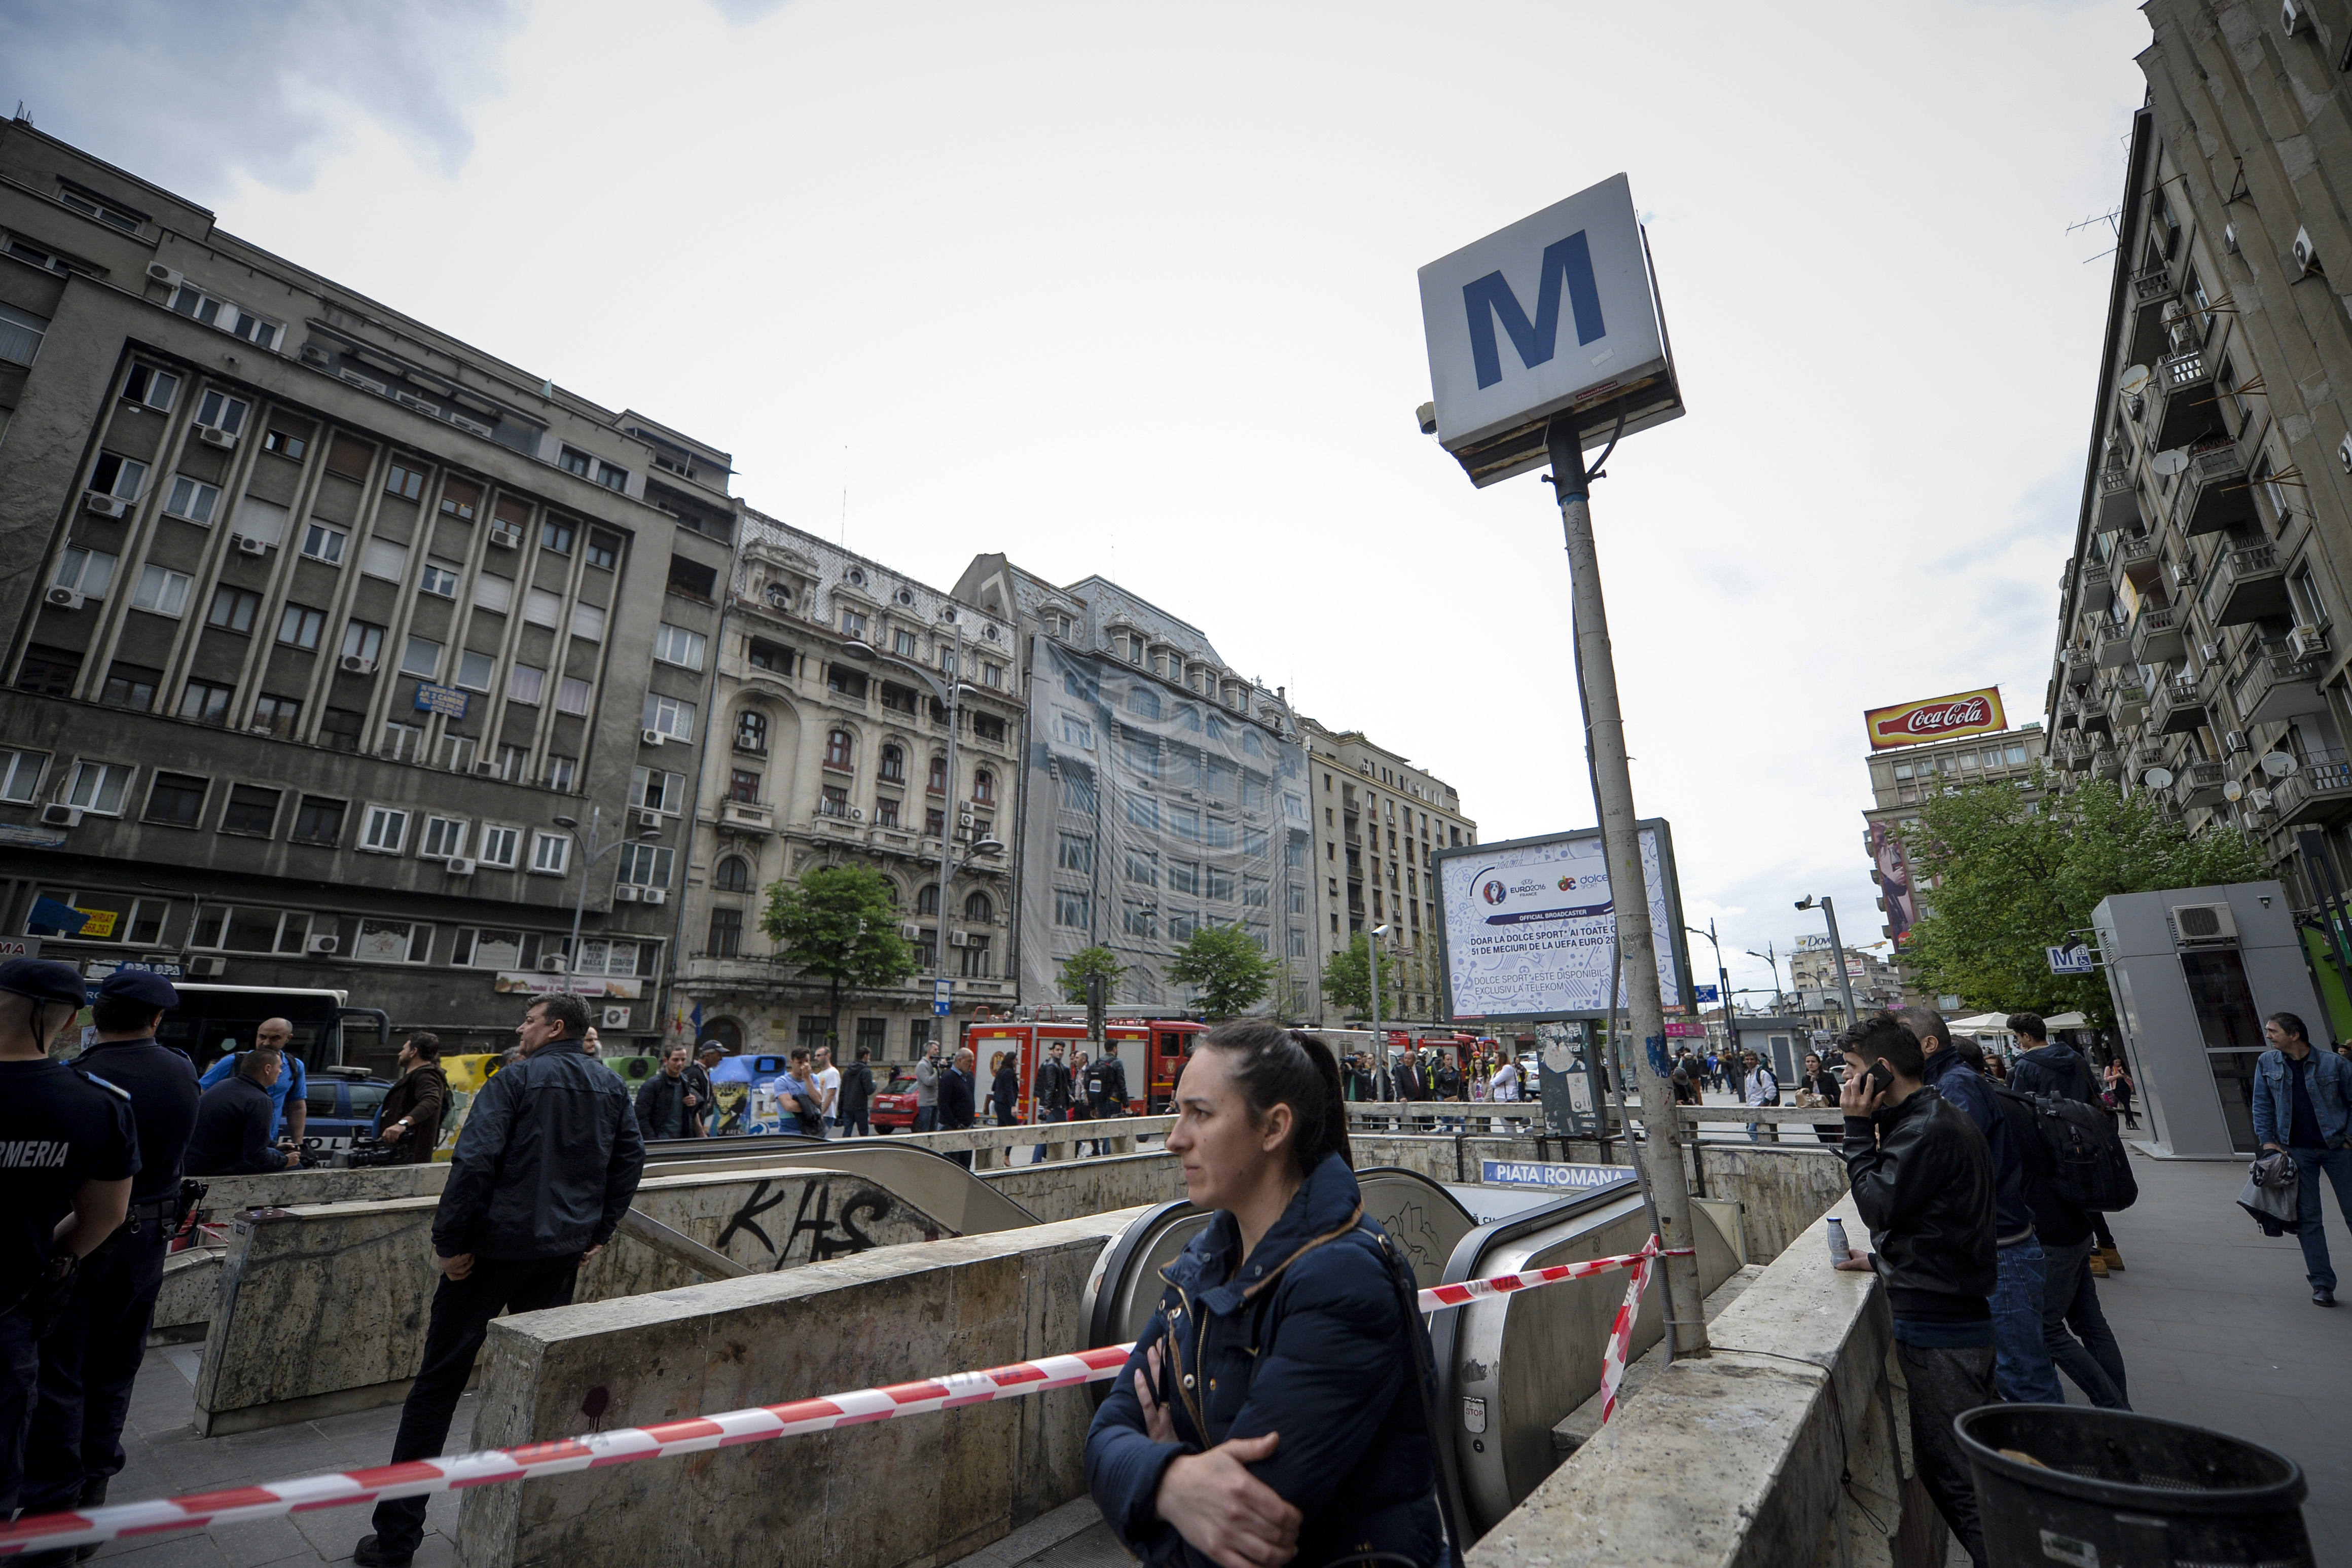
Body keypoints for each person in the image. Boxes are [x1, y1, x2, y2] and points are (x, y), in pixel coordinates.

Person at [1086, 1023, 1442, 1568]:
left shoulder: (1344, 1282)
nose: (1175, 1138)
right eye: (1179, 1112)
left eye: (1200, 1113)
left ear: (1274, 1127)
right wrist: (1172, 1480)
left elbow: (1240, 1536)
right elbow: (1102, 1437)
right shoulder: (1205, 1260)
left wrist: (1152, 1474)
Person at [355, 993, 645, 1567]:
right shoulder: (611, 1086)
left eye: (529, 1020)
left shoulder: (514, 1080)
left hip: (488, 1253)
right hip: (558, 1254)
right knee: (541, 1383)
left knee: (437, 1388)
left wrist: (449, 1243)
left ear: (555, 1027)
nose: (521, 1028)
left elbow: (473, 1161)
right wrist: (598, 1231)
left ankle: (396, 1541)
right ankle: (527, 1534)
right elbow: (629, 1161)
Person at [21, 969, 196, 1534]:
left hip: (85, 1237)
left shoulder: (82, 1078)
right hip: (149, 1243)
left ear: (95, 1017)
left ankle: (54, 1503)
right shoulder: (182, 1071)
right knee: (116, 1366)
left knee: (60, 1372)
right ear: (157, 1018)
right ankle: (95, 1485)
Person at [1833, 1011, 1998, 1568]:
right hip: (1949, 1310)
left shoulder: (1926, 1129)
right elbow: (1934, 1219)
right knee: (1955, 1468)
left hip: (1941, 1328)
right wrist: (1883, 1261)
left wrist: (1857, 1130)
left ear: (1881, 1070)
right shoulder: (1930, 1118)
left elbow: (1877, 1204)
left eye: (1851, 1068)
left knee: (1958, 1479)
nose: (1845, 1081)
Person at [0, 960, 137, 1523]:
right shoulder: (100, 1104)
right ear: (66, 1022)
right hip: (8, 1312)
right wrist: (41, 1261)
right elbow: (106, 1215)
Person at [1898, 1006, 2060, 1405]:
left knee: (2021, 1377)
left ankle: (2048, 1445)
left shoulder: (1954, 1087)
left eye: (1900, 1038)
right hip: (1996, 1245)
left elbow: (1946, 1171)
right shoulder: (1948, 1083)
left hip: (2001, 1250)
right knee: (2014, 1371)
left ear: (1928, 1044)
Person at [2006, 1013, 2125, 1273]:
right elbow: (2094, 1091)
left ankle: (2092, 1255)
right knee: (2086, 1189)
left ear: (2026, 1036)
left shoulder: (2026, 1065)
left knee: (2067, 1196)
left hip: (2053, 1136)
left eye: (2018, 1037)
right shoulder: (2075, 1057)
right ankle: (2109, 1249)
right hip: (2087, 1132)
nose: (2018, 1042)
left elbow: (2020, 1105)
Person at [2253, 1010, 2352, 1307]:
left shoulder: (2335, 1063)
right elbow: (2262, 1103)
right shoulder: (2267, 1063)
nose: (2268, 1036)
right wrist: (2268, 1142)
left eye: (2273, 1031)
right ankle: (2322, 1284)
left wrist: (2349, 1138)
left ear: (2295, 1035)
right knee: (2308, 1219)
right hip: (2295, 1152)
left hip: (2338, 1148)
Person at [197, 1016, 306, 1149]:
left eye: (275, 1038)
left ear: (288, 1038)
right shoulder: (233, 1062)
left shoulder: (295, 1066)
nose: (266, 1043)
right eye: (262, 1037)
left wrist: (298, 1145)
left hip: (267, 1143)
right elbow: (199, 1095)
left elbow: (296, 1107)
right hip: (228, 1143)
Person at [185, 1050, 295, 1176]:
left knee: (274, 1153)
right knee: (294, 1165)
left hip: (190, 1161)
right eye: (279, 1067)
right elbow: (256, 1155)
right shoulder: (259, 1101)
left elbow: (239, 1134)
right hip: (214, 1166)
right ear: (268, 1069)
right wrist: (286, 1161)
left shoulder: (223, 1085)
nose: (281, 1072)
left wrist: (275, 1145)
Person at [375, 1034, 449, 1164]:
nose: (400, 1053)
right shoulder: (416, 1076)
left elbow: (431, 1101)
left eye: (404, 1049)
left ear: (413, 1052)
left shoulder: (426, 1076)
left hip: (407, 1158)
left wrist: (402, 1124)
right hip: (398, 1155)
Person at [634, 1042, 703, 1141]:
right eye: (676, 1060)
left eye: (683, 1060)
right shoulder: (653, 1085)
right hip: (660, 1140)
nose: (680, 1064)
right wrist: (652, 1141)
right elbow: (640, 1117)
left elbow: (687, 1113)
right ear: (666, 1061)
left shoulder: (685, 1081)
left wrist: (692, 1104)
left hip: (680, 1140)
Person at [939, 1047, 978, 1169]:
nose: (971, 1065)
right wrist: (955, 1124)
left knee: (966, 1166)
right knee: (953, 1166)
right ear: (960, 1060)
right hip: (953, 1128)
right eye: (969, 1061)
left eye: (972, 1062)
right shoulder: (948, 1078)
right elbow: (943, 1105)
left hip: (968, 1128)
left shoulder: (969, 1076)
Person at [1799, 1051, 1842, 1146]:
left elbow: (1839, 1096)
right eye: (1808, 1062)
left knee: (1833, 1140)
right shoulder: (1805, 1079)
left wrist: (1824, 1097)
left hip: (1830, 1112)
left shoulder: (1829, 1077)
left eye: (1813, 1062)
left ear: (1819, 1063)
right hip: (1815, 1114)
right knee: (1822, 1139)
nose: (1810, 1064)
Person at [779, 1047, 823, 1137]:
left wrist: (807, 1078)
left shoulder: (813, 1078)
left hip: (812, 1127)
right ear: (792, 1063)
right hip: (790, 1128)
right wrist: (811, 1105)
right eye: (800, 1063)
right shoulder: (782, 1081)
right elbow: (789, 1106)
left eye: (806, 1062)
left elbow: (818, 1101)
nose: (804, 1066)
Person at [1741, 1049, 1779, 1142]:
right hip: (1751, 1107)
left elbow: (1772, 1091)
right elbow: (1748, 1094)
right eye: (1747, 1059)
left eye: (1752, 1059)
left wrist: (1763, 1104)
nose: (1749, 1062)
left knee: (1752, 1131)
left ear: (1757, 1060)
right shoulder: (1747, 1075)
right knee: (1752, 1130)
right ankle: (1762, 1147)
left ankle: (1762, 1148)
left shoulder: (1762, 1074)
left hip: (1759, 1107)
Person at [839, 1045, 875, 1139]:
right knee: (864, 1134)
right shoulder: (866, 1071)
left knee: (847, 1132)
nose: (869, 1058)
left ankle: (844, 1147)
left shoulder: (847, 1071)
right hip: (860, 1107)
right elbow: (869, 1090)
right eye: (869, 1056)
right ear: (865, 1056)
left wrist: (841, 1108)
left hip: (847, 1107)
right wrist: (874, 1084)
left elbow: (842, 1091)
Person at [813, 1044, 842, 1139]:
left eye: (819, 1056)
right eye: (815, 1056)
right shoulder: (819, 1075)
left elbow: (831, 1095)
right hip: (818, 1113)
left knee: (817, 1139)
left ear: (828, 1056)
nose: (816, 1058)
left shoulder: (833, 1072)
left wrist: (821, 1113)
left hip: (827, 1115)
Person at [914, 1041, 943, 1134]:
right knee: (925, 1131)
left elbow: (938, 1081)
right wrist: (939, 1070)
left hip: (935, 1102)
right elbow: (928, 1082)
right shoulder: (922, 1065)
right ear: (929, 1051)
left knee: (933, 1131)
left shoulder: (933, 1064)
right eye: (935, 1050)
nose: (938, 1052)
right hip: (926, 1104)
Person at [2104, 1059, 2138, 1129]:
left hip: (2126, 1088)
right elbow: (2106, 1078)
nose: (2118, 1064)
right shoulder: (2109, 1068)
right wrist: (2116, 1076)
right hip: (2117, 1089)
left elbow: (2130, 1078)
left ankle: (2128, 1122)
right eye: (2116, 1062)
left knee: (2127, 1105)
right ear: (2113, 1062)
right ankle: (2133, 1122)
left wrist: (2125, 1075)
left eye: (2119, 1062)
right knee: (2126, 1104)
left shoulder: (2122, 1068)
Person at [992, 1050, 1020, 1128]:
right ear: (1011, 1060)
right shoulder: (1009, 1072)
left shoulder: (1001, 1071)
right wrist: (1013, 1106)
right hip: (1005, 1104)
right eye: (1016, 1060)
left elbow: (994, 1087)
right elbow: (1009, 1090)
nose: (1017, 1062)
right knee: (1014, 1128)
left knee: (1002, 1128)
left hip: (998, 1104)